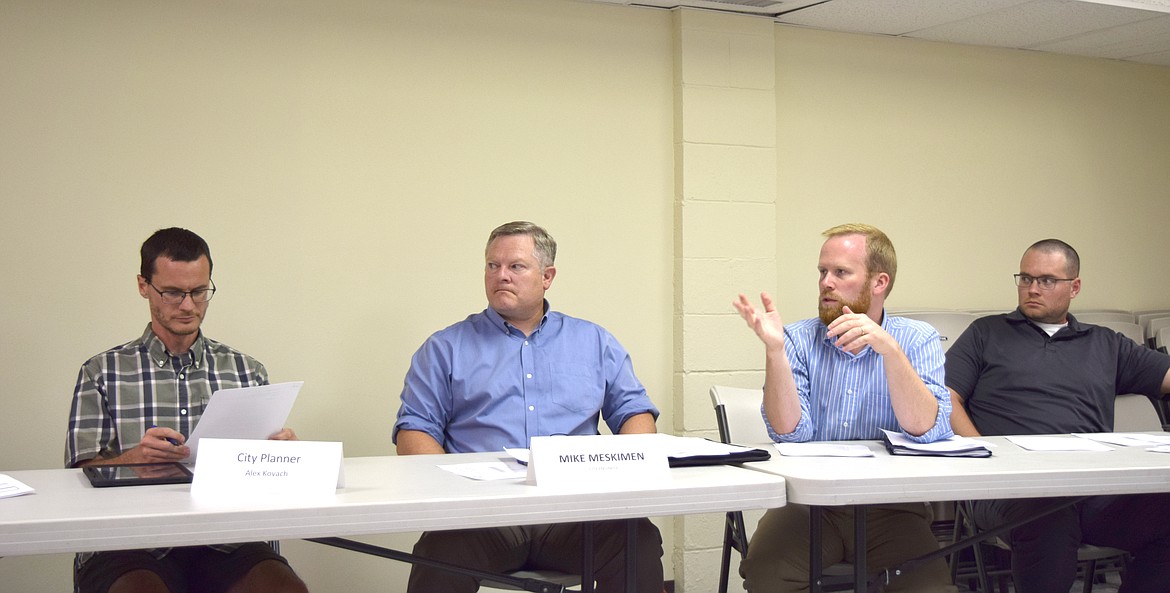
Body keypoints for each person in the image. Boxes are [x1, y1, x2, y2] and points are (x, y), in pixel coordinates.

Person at [393, 221, 664, 593]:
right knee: (438, 549)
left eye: (515, 266)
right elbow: (414, 432)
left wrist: (621, 475)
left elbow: (635, 414)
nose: (501, 275)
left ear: (547, 276)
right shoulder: (445, 348)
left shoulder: (593, 341)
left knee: (637, 538)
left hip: (575, 515)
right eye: (492, 266)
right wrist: (455, 499)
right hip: (482, 519)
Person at [65, 227, 308, 593]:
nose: (188, 305)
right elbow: (76, 479)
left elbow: (263, 473)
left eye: (199, 292)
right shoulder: (102, 372)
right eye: (173, 293)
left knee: (283, 589)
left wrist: (281, 458)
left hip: (227, 539)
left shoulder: (246, 370)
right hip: (131, 542)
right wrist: (133, 460)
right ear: (144, 286)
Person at [733, 223, 955, 593]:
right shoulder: (798, 338)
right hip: (808, 505)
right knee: (767, 574)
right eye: (823, 272)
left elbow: (926, 429)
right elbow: (790, 432)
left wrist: (890, 351)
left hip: (892, 506)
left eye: (840, 272)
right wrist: (774, 350)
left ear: (879, 282)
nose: (825, 282)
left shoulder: (917, 339)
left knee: (928, 587)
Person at [946, 238, 1170, 593]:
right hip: (1012, 489)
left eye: (1047, 280)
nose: (1032, 289)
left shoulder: (1105, 343)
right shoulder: (986, 334)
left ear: (1074, 287)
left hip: (1094, 491)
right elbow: (946, 398)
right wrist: (984, 455)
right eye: (1025, 278)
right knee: (1048, 510)